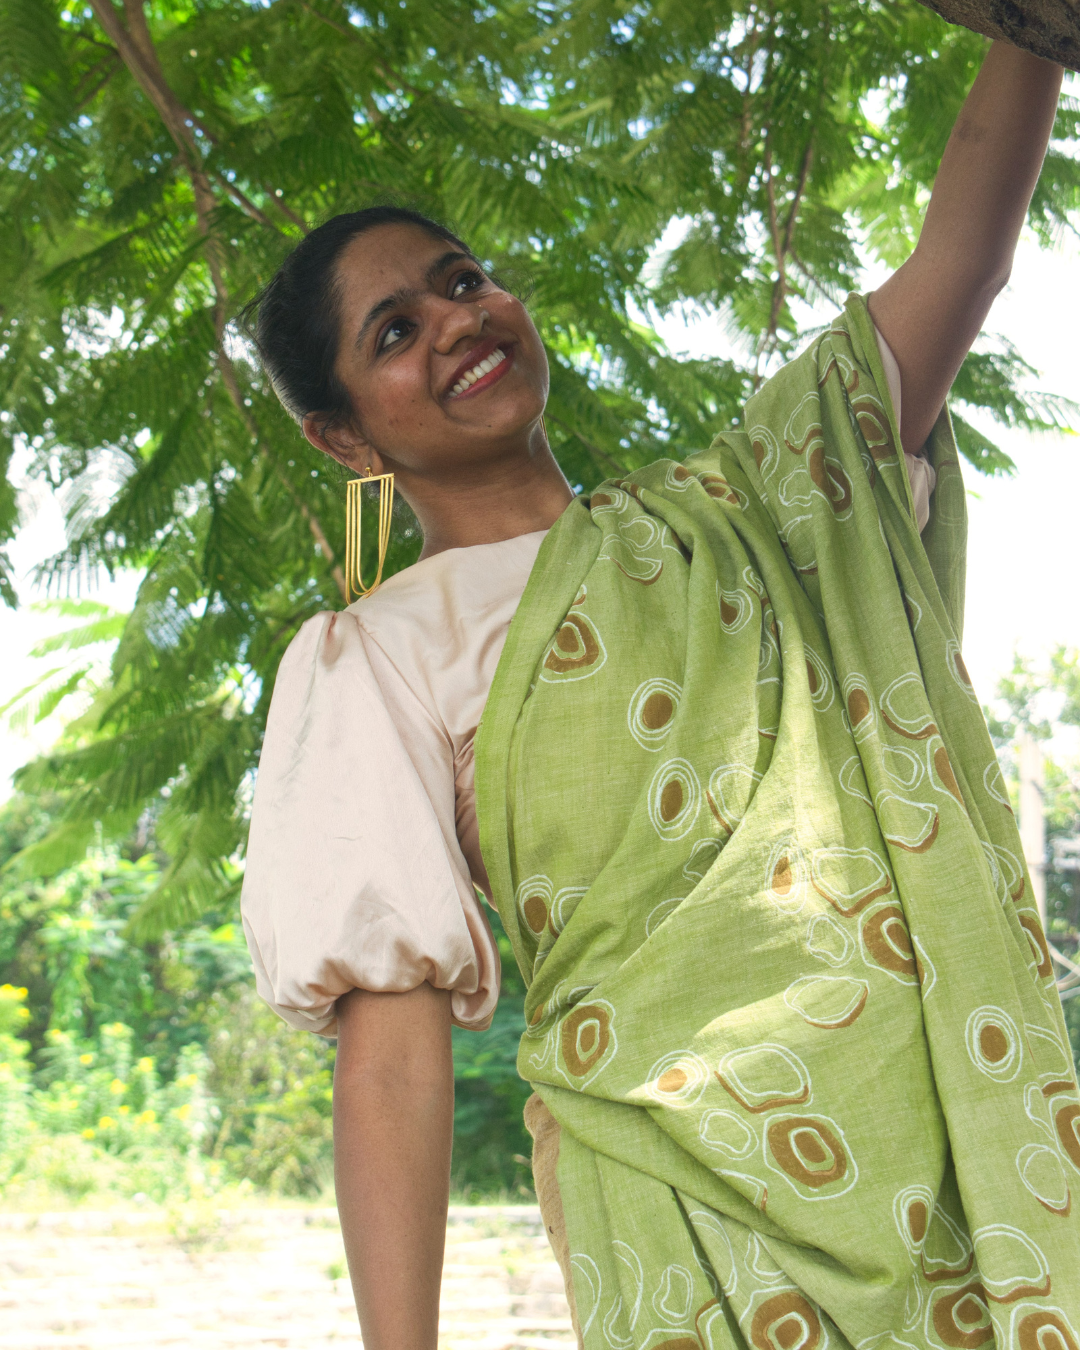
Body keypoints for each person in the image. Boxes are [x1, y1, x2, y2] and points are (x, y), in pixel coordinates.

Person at [240, 39, 1079, 1350]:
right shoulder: (378, 655)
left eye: (463, 280)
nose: (459, 317)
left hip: (939, 1144)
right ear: (342, 435)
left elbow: (959, 267)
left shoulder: (761, 506)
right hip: (679, 1196)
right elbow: (392, 1047)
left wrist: (1030, 31)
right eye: (395, 330)